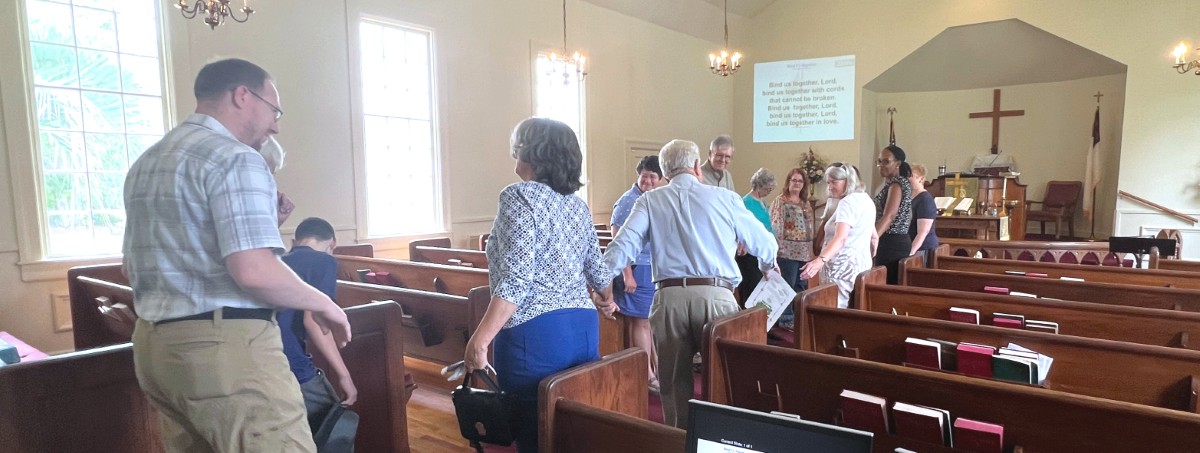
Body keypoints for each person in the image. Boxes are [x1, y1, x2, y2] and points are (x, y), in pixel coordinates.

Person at [123, 58, 351, 452]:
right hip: (225, 352)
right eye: (274, 111)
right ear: (243, 96)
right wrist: (325, 303)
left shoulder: (149, 161)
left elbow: (133, 267)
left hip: (156, 349)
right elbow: (253, 271)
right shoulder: (236, 156)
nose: (275, 126)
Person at [463, 117, 614, 453]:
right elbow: (599, 273)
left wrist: (480, 339)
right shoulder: (578, 206)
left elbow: (516, 278)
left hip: (536, 335)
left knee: (535, 438)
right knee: (571, 435)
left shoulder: (519, 196)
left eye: (518, 147)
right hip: (583, 328)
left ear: (531, 152)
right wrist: (606, 298)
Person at [603, 139, 777, 429]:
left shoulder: (650, 200)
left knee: (673, 386)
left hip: (669, 298)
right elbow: (765, 244)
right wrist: (767, 266)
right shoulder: (725, 198)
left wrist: (601, 288)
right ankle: (719, 439)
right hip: (717, 296)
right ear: (697, 166)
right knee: (722, 383)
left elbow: (621, 247)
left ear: (664, 172)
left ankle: (680, 439)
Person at [280, 217, 359, 452]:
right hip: (293, 365)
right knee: (335, 428)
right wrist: (344, 375)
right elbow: (314, 321)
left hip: (265, 361)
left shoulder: (279, 261)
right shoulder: (323, 260)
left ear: (294, 241)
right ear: (332, 243)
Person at [610, 155, 663, 391]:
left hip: (650, 268)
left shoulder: (652, 199)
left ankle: (655, 367)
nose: (648, 181)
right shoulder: (628, 201)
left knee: (647, 323)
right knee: (640, 323)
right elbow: (618, 241)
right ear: (638, 176)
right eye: (644, 176)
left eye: (653, 176)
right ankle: (647, 374)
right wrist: (627, 274)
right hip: (636, 269)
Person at [800, 163, 877, 308]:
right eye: (828, 183)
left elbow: (840, 238)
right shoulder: (865, 199)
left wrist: (819, 261)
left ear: (848, 181)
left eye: (834, 182)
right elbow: (872, 233)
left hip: (841, 269)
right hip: (859, 266)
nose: (829, 187)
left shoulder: (847, 203)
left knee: (835, 311)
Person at [769, 168, 815, 328]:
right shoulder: (780, 201)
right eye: (794, 180)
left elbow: (810, 227)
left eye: (800, 181)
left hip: (804, 252)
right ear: (788, 182)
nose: (797, 183)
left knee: (800, 286)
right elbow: (775, 225)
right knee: (786, 285)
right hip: (786, 252)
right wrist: (778, 248)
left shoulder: (805, 203)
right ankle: (785, 318)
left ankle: (798, 316)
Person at [873, 144, 913, 285]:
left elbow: (889, 216)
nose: (881, 165)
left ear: (898, 163)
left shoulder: (896, 184)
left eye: (886, 161)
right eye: (879, 161)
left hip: (891, 242)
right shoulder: (900, 182)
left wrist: (872, 238)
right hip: (896, 239)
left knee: (885, 283)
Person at [736, 168, 776, 306]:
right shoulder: (746, 202)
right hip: (750, 253)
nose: (769, 191)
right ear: (759, 185)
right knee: (751, 288)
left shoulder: (762, 202)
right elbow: (742, 227)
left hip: (762, 252)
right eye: (768, 188)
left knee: (762, 289)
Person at [908, 164, 940, 264]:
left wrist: (911, 252)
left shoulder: (925, 199)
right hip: (912, 245)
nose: (907, 179)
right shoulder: (909, 196)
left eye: (911, 176)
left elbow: (923, 232)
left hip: (922, 248)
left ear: (921, 179)